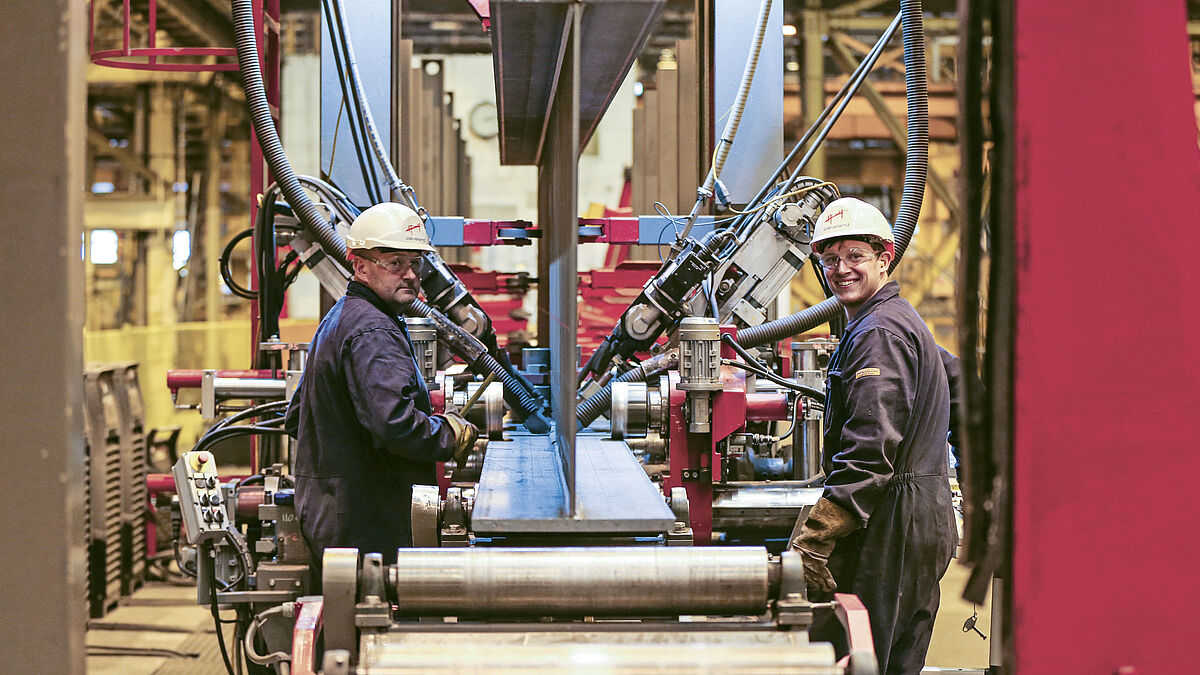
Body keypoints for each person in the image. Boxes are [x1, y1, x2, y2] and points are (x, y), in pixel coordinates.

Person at [788, 197, 957, 674]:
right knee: (894, 661)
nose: (841, 269)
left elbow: (870, 446)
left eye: (855, 257)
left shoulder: (879, 331)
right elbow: (963, 389)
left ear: (884, 259)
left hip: (894, 521)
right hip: (917, 516)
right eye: (830, 260)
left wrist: (819, 534)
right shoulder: (892, 320)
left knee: (862, 658)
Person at [285, 202, 478, 568]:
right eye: (394, 264)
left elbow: (296, 418)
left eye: (415, 264)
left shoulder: (342, 317)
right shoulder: (373, 330)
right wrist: (450, 435)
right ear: (359, 265)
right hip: (364, 526)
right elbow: (395, 424)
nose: (409, 275)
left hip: (333, 513)